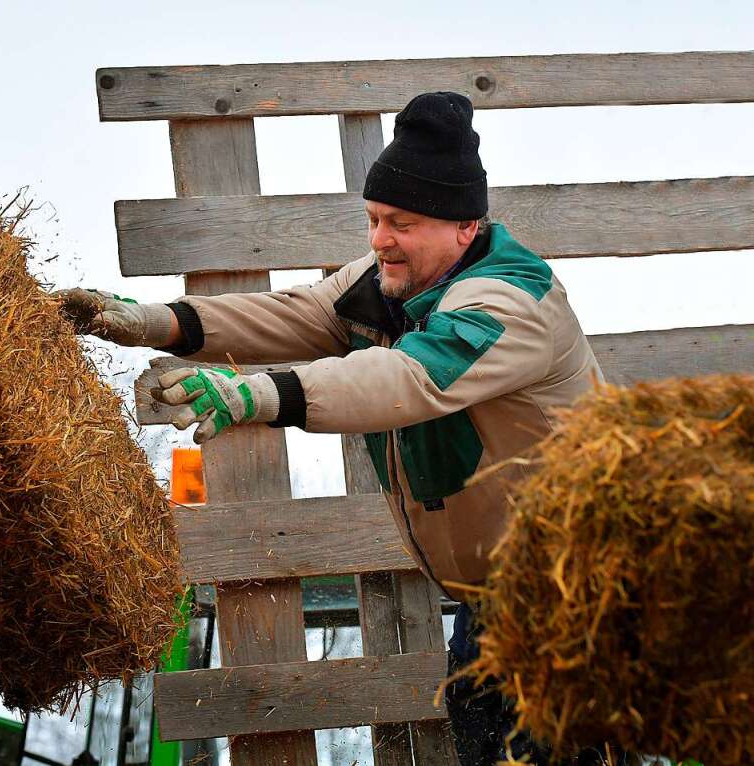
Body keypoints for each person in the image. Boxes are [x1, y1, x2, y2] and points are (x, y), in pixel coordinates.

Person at [60, 92, 608, 765]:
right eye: (375, 219)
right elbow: (290, 314)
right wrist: (147, 322)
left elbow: (409, 378)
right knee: (484, 727)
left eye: (401, 223)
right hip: (502, 594)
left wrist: (253, 396)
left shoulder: (509, 304)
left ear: (465, 226)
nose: (380, 239)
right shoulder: (389, 284)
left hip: (579, 594)